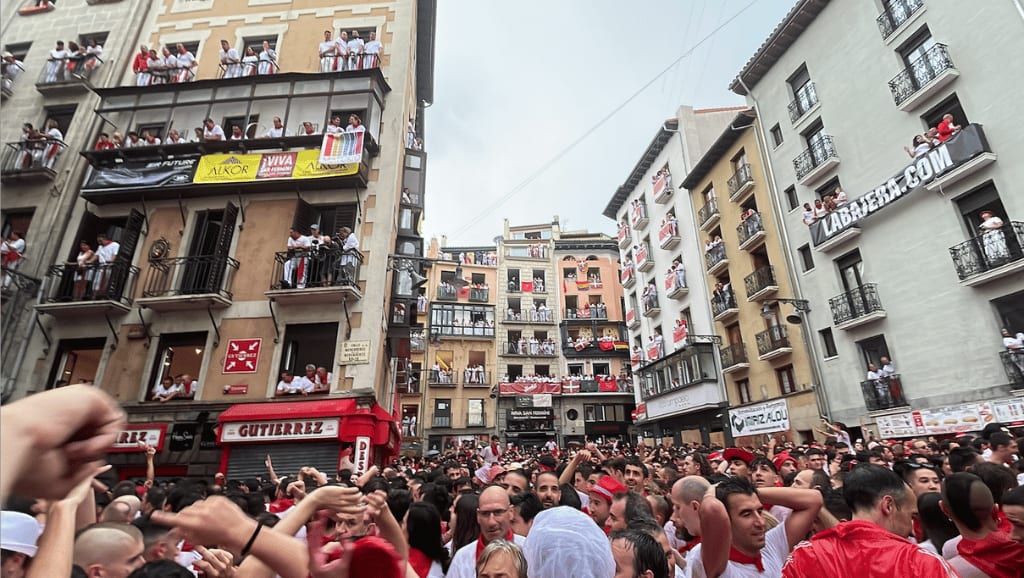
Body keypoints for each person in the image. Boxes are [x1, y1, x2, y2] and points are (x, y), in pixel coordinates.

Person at [782, 464, 958, 577]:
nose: (912, 528)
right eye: (911, 515)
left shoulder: (805, 555)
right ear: (888, 505)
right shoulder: (923, 564)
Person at [941, 472, 1024, 578]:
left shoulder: (950, 567)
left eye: (1019, 525)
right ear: (995, 509)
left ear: (944, 509)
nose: (1013, 536)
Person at [447, 486, 524, 578]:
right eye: (485, 514)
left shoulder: (529, 550)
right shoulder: (462, 558)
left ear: (511, 512)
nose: (491, 522)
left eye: (498, 512)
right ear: (478, 516)